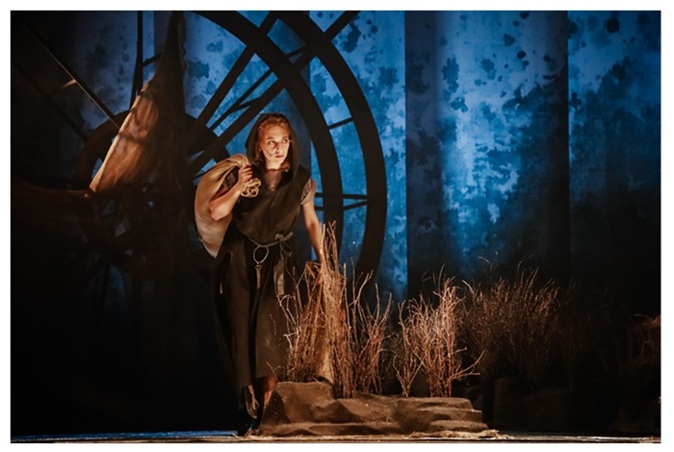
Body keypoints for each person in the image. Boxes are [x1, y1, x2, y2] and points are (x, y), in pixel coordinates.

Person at [204, 112, 323, 433]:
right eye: (271, 141)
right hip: (240, 260)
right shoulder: (242, 174)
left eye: (284, 141)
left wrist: (324, 260)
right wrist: (238, 187)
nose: (279, 148)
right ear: (258, 145)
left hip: (279, 263)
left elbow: (311, 221)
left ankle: (270, 410)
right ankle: (250, 410)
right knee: (243, 333)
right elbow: (216, 210)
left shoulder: (300, 180)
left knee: (273, 336)